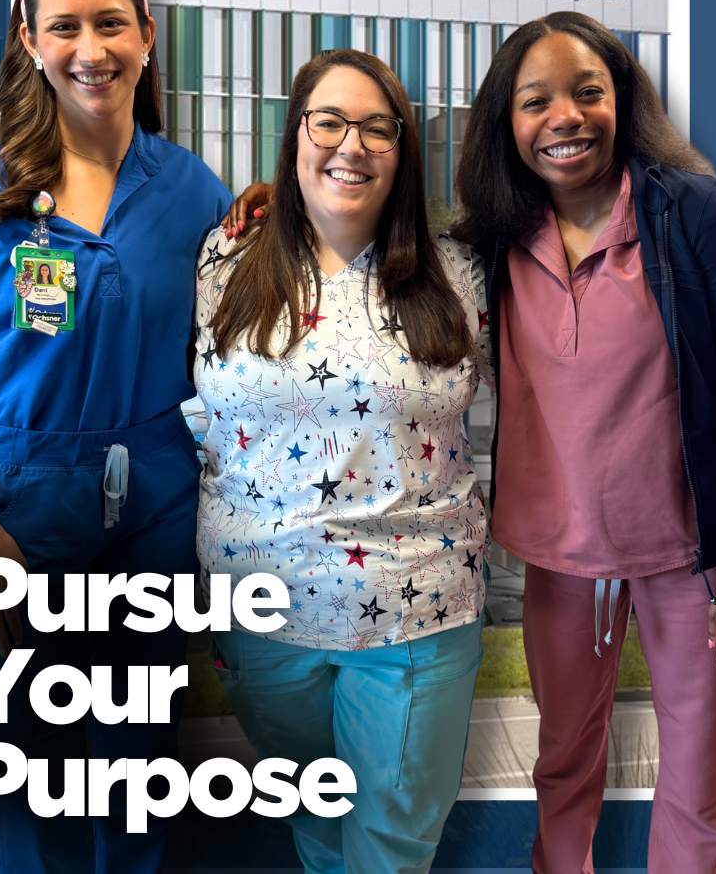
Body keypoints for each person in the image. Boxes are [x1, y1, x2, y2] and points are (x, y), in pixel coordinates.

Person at [0, 0, 231, 874]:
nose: (89, 50)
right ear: (28, 38)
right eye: (64, 28)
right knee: (23, 787)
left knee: (135, 784)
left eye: (109, 25)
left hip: (157, 513)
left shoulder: (193, 193)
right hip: (10, 504)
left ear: (144, 33)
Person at [452, 11, 716, 874]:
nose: (565, 117)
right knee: (562, 765)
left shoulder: (692, 213)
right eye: (536, 101)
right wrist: (265, 210)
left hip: (693, 563)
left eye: (587, 92)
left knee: (700, 785)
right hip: (564, 562)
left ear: (620, 101)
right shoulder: (492, 234)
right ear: (506, 124)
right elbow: (372, 243)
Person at [195, 49, 493, 874]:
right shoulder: (221, 262)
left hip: (413, 609)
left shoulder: (461, 275)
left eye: (376, 127)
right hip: (259, 610)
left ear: (403, 149)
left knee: (387, 852)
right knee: (318, 836)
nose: (349, 145)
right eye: (327, 120)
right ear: (293, 136)